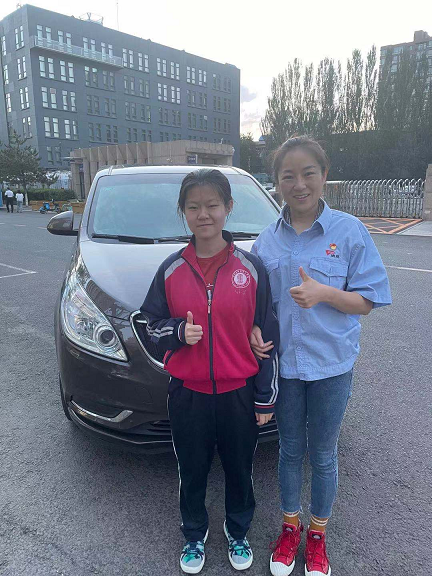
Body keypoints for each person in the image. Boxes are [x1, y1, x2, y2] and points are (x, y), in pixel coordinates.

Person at [250, 136, 391, 576]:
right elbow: (256, 307)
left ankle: (317, 535)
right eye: (288, 176)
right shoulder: (265, 243)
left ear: (324, 176)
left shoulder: (349, 232)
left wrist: (325, 293)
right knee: (290, 451)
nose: (299, 184)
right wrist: (253, 331)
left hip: (332, 367)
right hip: (287, 369)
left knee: (324, 454)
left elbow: (368, 300)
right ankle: (289, 528)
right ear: (276, 183)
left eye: (308, 173)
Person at [141, 168, 279, 574]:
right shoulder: (171, 269)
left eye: (212, 205)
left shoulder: (251, 268)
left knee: (240, 468)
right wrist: (177, 332)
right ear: (183, 212)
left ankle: (238, 530)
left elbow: (267, 336)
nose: (204, 214)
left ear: (228, 207)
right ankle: (193, 534)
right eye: (194, 207)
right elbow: (147, 325)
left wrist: (265, 397)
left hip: (239, 394)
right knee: (192, 469)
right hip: (189, 394)